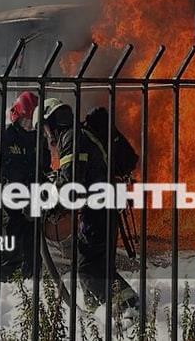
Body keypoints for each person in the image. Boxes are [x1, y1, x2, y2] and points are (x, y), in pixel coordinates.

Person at [37, 98, 138, 313]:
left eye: (44, 129)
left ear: (50, 122)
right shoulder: (80, 134)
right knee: (95, 267)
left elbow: (71, 182)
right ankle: (97, 315)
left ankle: (130, 309)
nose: (46, 135)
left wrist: (52, 205)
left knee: (89, 270)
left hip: (98, 211)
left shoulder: (71, 137)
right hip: (103, 208)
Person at [0, 91, 50, 280]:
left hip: (32, 203)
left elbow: (45, 170)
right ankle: (3, 285)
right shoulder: (5, 137)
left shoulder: (40, 139)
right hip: (9, 207)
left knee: (32, 254)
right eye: (25, 121)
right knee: (9, 253)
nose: (29, 126)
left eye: (32, 122)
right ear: (16, 116)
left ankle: (29, 287)